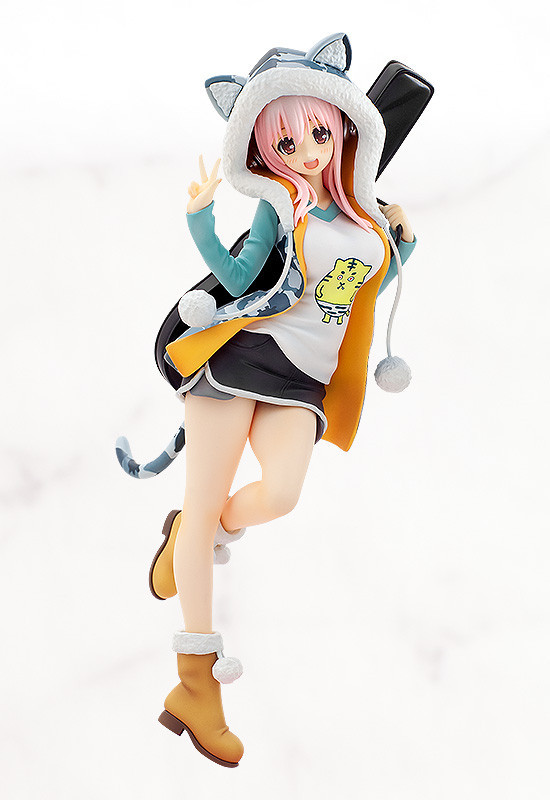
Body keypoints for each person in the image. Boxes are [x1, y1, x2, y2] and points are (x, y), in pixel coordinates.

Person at [148, 34, 416, 768]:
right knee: (205, 501)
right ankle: (196, 686)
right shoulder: (281, 206)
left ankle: (189, 538)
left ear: (344, 129)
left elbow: (355, 296)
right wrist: (201, 222)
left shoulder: (365, 217)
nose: (306, 153)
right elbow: (240, 279)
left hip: (301, 382)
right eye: (286, 143)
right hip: (239, 359)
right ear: (264, 152)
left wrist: (402, 242)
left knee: (281, 493)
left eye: (318, 135)